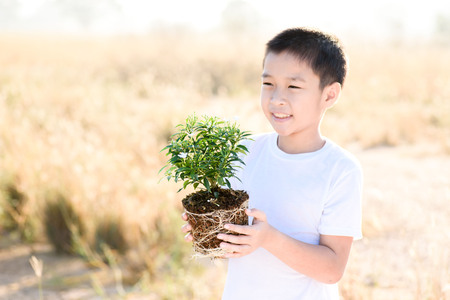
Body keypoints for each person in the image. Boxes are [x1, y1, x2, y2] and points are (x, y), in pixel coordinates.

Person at [182, 27, 363, 300]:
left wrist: (268, 238)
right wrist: (210, 229)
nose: (277, 98)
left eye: (293, 86)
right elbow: (233, 240)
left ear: (329, 95)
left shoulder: (340, 169)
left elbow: (332, 269)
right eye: (268, 84)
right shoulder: (245, 152)